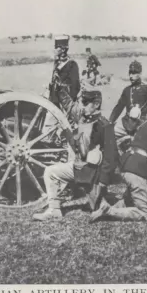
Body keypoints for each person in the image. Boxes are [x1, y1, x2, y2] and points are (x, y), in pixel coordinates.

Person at [33, 88, 117, 222]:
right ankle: (54, 210)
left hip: (92, 175)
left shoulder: (105, 126)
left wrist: (102, 182)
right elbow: (70, 106)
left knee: (102, 209)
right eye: (82, 102)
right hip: (78, 169)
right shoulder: (82, 116)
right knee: (50, 172)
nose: (82, 106)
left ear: (96, 104)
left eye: (86, 103)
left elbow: (111, 157)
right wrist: (59, 89)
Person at [109, 60, 147, 141]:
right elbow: (119, 107)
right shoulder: (127, 90)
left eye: (134, 73)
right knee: (109, 135)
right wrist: (110, 121)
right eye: (130, 73)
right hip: (126, 123)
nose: (131, 76)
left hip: (141, 124)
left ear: (140, 73)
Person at [48, 35, 81, 110]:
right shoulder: (57, 63)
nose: (54, 50)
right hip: (54, 102)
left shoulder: (72, 64)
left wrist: (69, 105)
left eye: (56, 48)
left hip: (65, 103)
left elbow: (76, 87)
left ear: (63, 50)